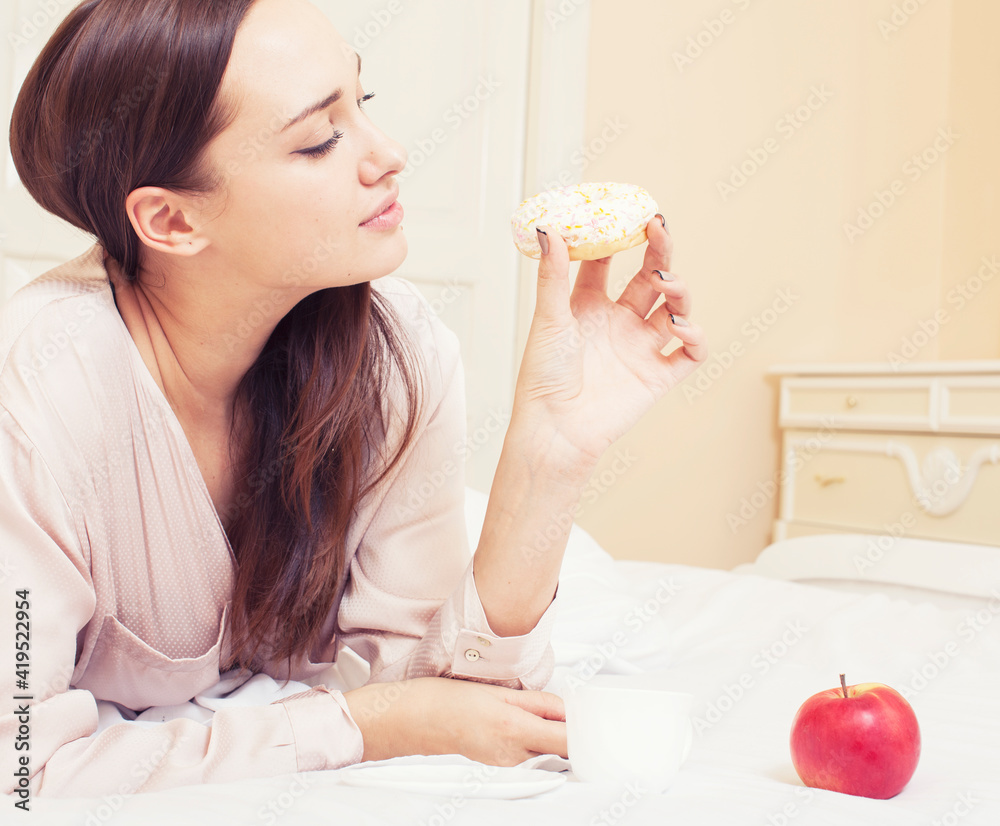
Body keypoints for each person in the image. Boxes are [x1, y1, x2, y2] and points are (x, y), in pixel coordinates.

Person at [1, 0, 706, 799]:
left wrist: (550, 453)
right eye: (320, 139)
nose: (391, 156)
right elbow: (18, 771)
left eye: (362, 105)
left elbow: (446, 702)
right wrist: (355, 727)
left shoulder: (395, 351)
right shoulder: (38, 389)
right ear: (170, 219)